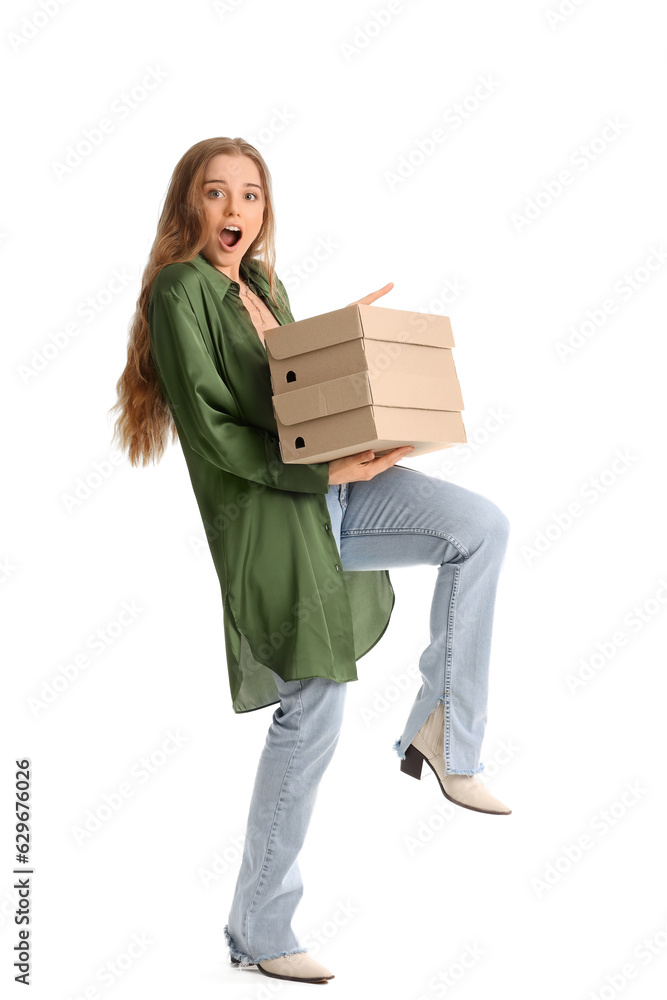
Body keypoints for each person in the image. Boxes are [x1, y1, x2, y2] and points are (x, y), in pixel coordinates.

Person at [109, 136, 512, 986]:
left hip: (334, 487)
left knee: (477, 527)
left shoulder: (262, 285)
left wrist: (359, 390)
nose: (234, 211)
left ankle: (445, 734)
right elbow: (216, 432)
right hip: (271, 510)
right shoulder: (180, 289)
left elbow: (294, 395)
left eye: (249, 195)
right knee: (314, 703)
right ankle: (260, 930)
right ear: (189, 207)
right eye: (215, 194)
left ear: (264, 210)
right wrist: (320, 467)